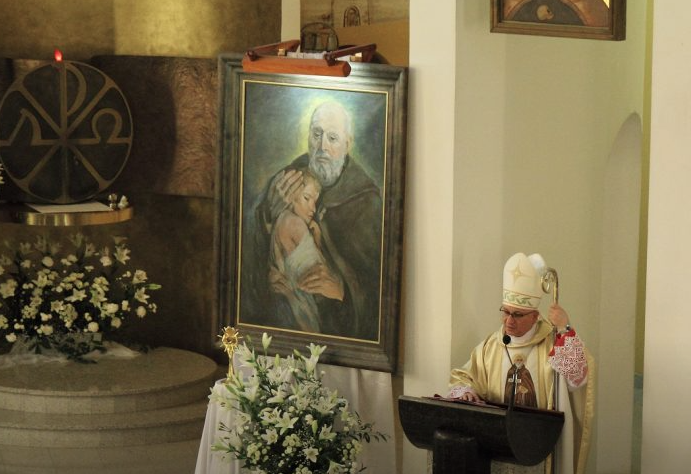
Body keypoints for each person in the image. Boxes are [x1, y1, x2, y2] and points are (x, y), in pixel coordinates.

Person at [245, 101, 382, 340]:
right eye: (316, 134)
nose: (322, 147)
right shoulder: (289, 178)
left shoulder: (366, 202)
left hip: (339, 333)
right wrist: (268, 213)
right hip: (284, 320)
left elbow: (380, 290)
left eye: (332, 138)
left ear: (347, 144)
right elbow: (245, 247)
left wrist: (343, 290)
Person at [447, 252, 594, 474]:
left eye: (517, 314)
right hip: (498, 443)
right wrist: (466, 391)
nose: (508, 321)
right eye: (505, 312)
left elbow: (577, 380)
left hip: (540, 444)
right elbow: (464, 375)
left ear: (535, 316)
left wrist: (564, 328)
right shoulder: (492, 345)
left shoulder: (553, 341)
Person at [269, 167, 331, 333]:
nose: (313, 208)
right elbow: (321, 276)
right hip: (298, 311)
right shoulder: (295, 224)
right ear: (291, 196)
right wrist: (318, 239)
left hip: (285, 307)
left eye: (315, 202)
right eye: (306, 198)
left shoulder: (281, 220)